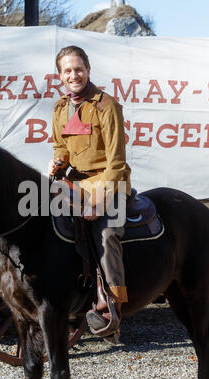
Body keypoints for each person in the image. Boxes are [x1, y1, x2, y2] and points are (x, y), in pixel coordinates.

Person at [48, 45, 131, 337]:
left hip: (110, 180)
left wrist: (99, 201)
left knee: (106, 234)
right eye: (68, 70)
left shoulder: (107, 106)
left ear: (88, 70)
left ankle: (111, 305)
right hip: (75, 182)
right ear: (60, 76)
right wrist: (58, 161)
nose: (74, 75)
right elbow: (61, 146)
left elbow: (117, 162)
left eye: (79, 69)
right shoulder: (60, 107)